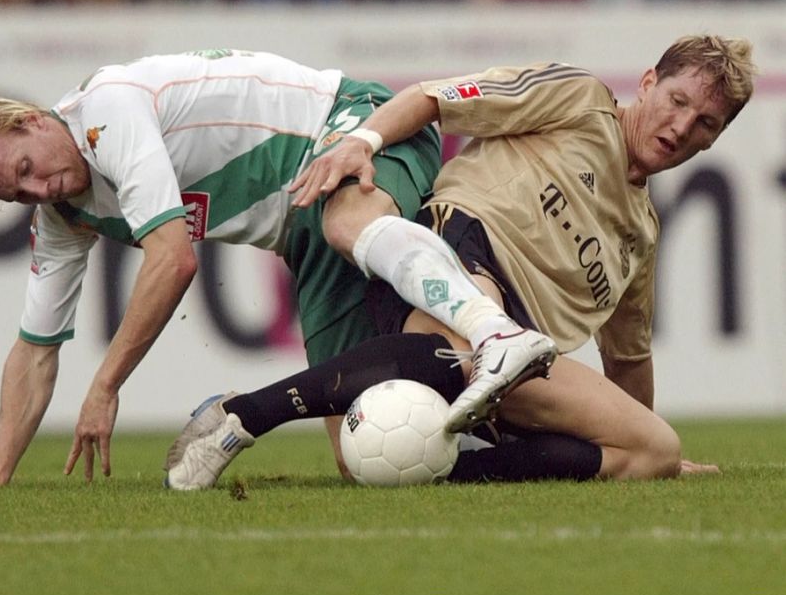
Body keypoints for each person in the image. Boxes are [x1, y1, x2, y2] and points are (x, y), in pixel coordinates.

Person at [164, 34, 755, 489]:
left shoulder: (643, 233)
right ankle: (239, 417)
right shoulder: (581, 99)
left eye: (704, 123)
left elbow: (628, 358)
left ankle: (447, 468)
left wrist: (632, 435)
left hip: (520, 354)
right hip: (459, 255)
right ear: (648, 83)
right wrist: (361, 143)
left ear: (713, 139)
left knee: (653, 450)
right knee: (471, 349)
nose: (680, 127)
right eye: (677, 101)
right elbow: (433, 98)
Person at [0, 47, 550, 487]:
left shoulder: (106, 112)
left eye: (26, 170)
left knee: (347, 222)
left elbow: (173, 261)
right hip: (305, 237)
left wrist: (104, 386)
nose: (38, 191)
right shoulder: (65, 214)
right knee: (365, 455)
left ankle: (495, 331)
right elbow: (34, 349)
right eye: (19, 195)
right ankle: (544, 453)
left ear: (34, 121)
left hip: (350, 127)